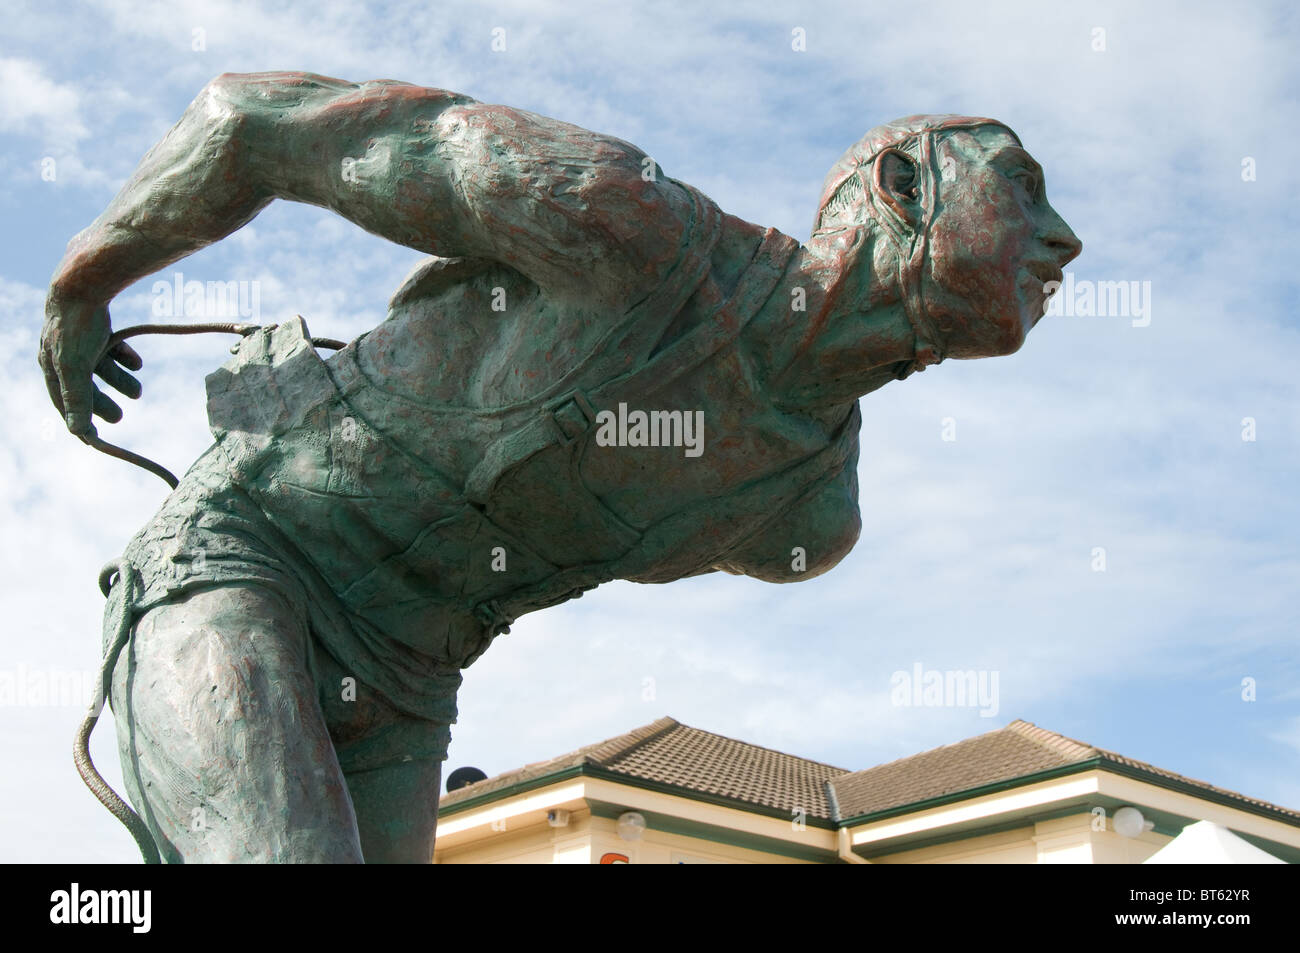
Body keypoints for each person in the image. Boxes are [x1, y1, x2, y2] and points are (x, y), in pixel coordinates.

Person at [39, 72, 1081, 862]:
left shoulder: (809, 510)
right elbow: (251, 122)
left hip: (405, 690)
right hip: (246, 558)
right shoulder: (624, 225)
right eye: (1020, 192)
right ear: (899, 187)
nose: (1062, 242)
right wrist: (86, 283)